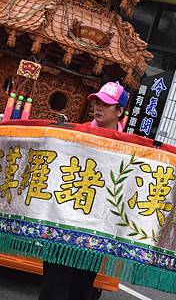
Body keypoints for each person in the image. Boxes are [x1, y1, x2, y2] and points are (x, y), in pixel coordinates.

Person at [38, 81, 128, 300]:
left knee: (81, 287)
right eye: (97, 101)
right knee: (54, 282)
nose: (98, 107)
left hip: (96, 229)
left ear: (120, 111)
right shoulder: (77, 135)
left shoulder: (129, 146)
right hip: (64, 220)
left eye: (106, 104)